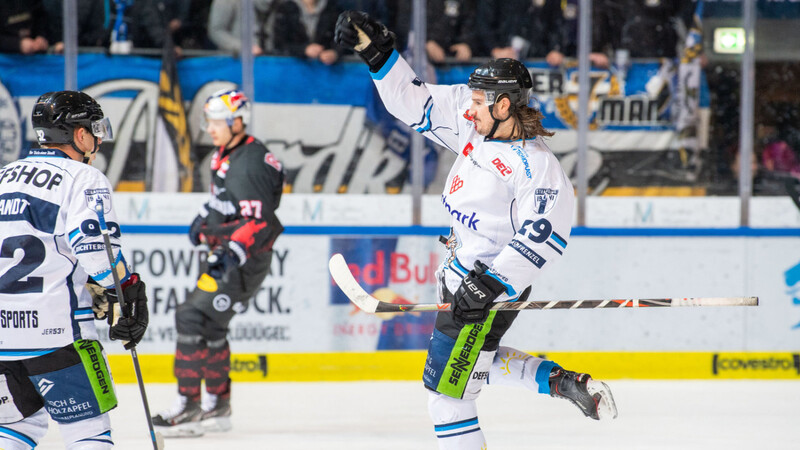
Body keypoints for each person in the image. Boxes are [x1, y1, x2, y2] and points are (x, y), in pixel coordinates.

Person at [335, 11, 617, 449]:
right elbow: (416, 103)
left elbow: (543, 238)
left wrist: (488, 284)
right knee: (472, 362)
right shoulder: (474, 125)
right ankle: (563, 383)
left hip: (489, 285)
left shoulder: (537, 168)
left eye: (479, 100)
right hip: (460, 277)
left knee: (446, 397)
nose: (468, 107)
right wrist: (380, 56)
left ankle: (559, 383)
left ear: (504, 105)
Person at [0, 91, 149, 449]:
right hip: (58, 334)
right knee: (88, 430)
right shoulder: (83, 178)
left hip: (2, 335)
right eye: (93, 129)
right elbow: (96, 250)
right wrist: (126, 289)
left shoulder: (3, 176)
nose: (97, 140)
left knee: (18, 427)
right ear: (78, 135)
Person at [152, 88, 284, 437]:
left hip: (243, 262)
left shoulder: (250, 162)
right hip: (231, 256)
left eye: (216, 122)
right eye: (208, 121)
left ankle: (190, 406)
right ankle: (217, 405)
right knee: (210, 326)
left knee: (191, 315)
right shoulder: (228, 153)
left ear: (237, 121)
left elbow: (259, 223)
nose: (209, 129)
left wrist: (228, 255)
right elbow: (225, 202)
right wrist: (202, 219)